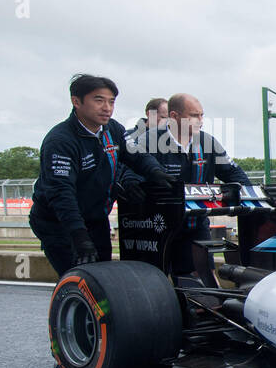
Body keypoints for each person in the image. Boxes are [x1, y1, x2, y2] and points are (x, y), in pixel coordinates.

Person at [29, 74, 176, 276]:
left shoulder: (112, 129)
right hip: (58, 223)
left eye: (111, 101)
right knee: (78, 278)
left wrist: (156, 173)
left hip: (96, 217)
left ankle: (100, 308)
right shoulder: (60, 141)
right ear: (76, 101)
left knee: (103, 278)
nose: (107, 107)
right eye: (99, 100)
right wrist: (79, 236)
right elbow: (61, 193)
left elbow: (137, 156)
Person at [135, 93, 250, 278]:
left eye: (202, 115)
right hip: (157, 228)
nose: (200, 120)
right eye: (194, 115)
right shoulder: (148, 141)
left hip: (195, 224)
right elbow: (131, 175)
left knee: (203, 280)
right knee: (156, 284)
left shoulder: (208, 141)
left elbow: (233, 172)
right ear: (174, 116)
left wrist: (248, 193)